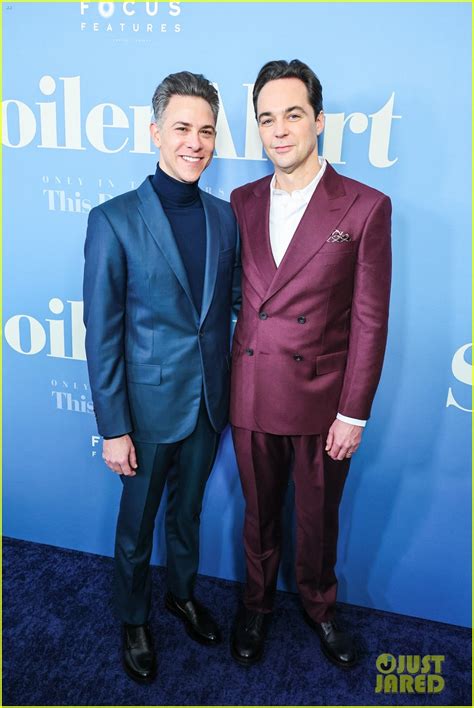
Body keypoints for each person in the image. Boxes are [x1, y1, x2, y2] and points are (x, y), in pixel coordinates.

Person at [229, 59, 391, 668]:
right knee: (258, 514)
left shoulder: (364, 207)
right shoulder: (240, 202)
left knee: (318, 519)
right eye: (267, 118)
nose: (279, 131)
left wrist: (354, 412)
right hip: (250, 388)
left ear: (319, 121)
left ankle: (320, 607)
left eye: (293, 115)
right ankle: (256, 604)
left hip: (323, 401)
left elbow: (371, 320)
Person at [83, 71, 240, 684]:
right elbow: (102, 335)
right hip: (144, 411)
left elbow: (225, 307)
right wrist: (113, 427)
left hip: (207, 401)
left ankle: (181, 594)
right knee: (137, 521)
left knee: (188, 513)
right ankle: (134, 616)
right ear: (155, 133)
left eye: (206, 130)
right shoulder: (113, 220)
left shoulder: (225, 218)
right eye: (182, 128)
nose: (195, 142)